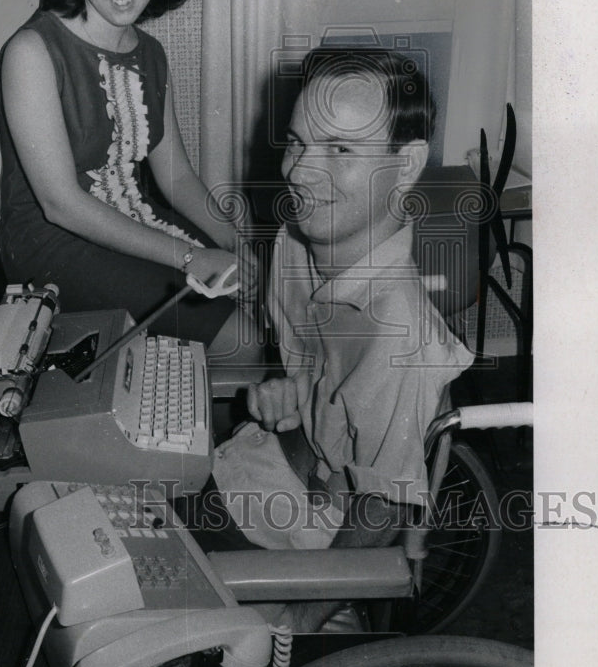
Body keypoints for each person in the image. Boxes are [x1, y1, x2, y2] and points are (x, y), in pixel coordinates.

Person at [195, 47, 475, 631]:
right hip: (291, 468)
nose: (299, 171)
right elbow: (306, 370)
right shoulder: (294, 244)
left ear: (405, 165)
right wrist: (288, 397)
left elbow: (382, 516)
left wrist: (296, 626)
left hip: (337, 545)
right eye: (297, 141)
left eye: (341, 150)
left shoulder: (401, 337)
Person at [0, 0, 256, 353]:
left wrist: (240, 242)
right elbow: (59, 204)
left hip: (133, 220)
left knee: (256, 298)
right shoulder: (30, 52)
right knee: (241, 340)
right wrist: (188, 257)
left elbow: (176, 177)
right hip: (53, 245)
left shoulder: (150, 54)